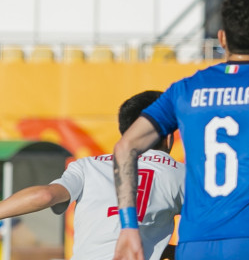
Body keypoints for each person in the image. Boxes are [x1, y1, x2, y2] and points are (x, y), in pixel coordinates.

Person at [112, 0, 249, 260]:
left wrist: (129, 227)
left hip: (194, 246)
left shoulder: (184, 89)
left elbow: (125, 147)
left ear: (222, 38)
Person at [0, 90, 184, 260]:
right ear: (168, 136)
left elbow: (45, 195)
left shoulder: (88, 165)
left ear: (124, 132)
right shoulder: (182, 174)